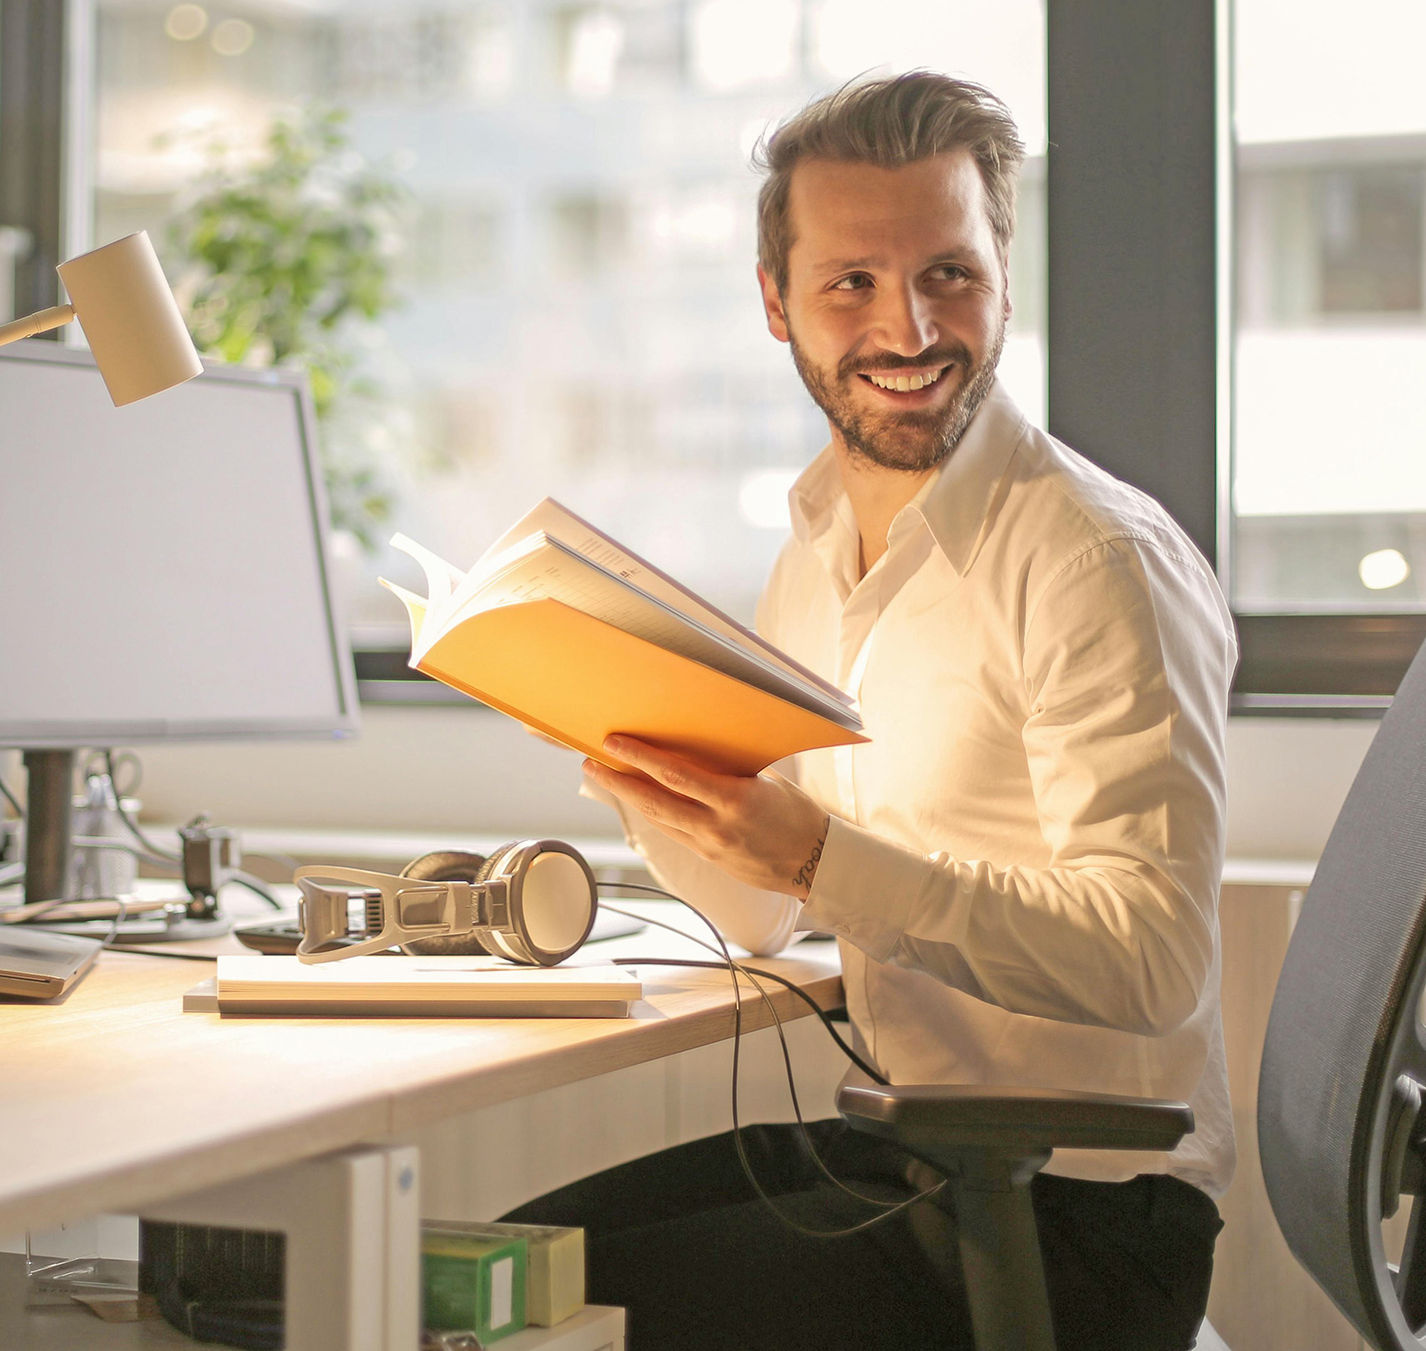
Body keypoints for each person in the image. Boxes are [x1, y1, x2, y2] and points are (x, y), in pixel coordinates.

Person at [506, 72, 1235, 1351]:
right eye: (851, 282)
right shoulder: (817, 544)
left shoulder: (1089, 559)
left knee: (503, 1318)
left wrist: (811, 850)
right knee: (477, 1267)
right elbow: (765, 911)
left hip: (1078, 1223)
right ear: (776, 303)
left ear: (1003, 272)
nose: (907, 328)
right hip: (910, 1151)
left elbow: (1151, 958)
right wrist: (643, 770)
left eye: (948, 273)